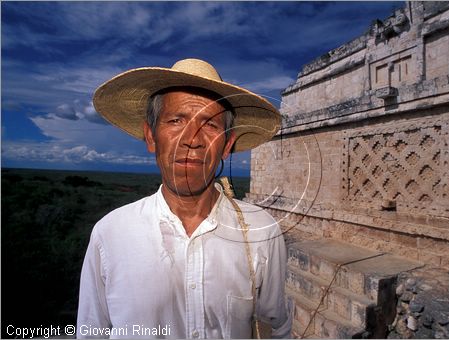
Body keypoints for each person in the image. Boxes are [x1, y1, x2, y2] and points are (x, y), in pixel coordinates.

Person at [77, 58, 292, 339]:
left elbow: (279, 328)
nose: (192, 138)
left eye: (210, 125)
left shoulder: (262, 233)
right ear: (151, 137)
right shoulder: (110, 234)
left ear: (227, 145)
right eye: (176, 120)